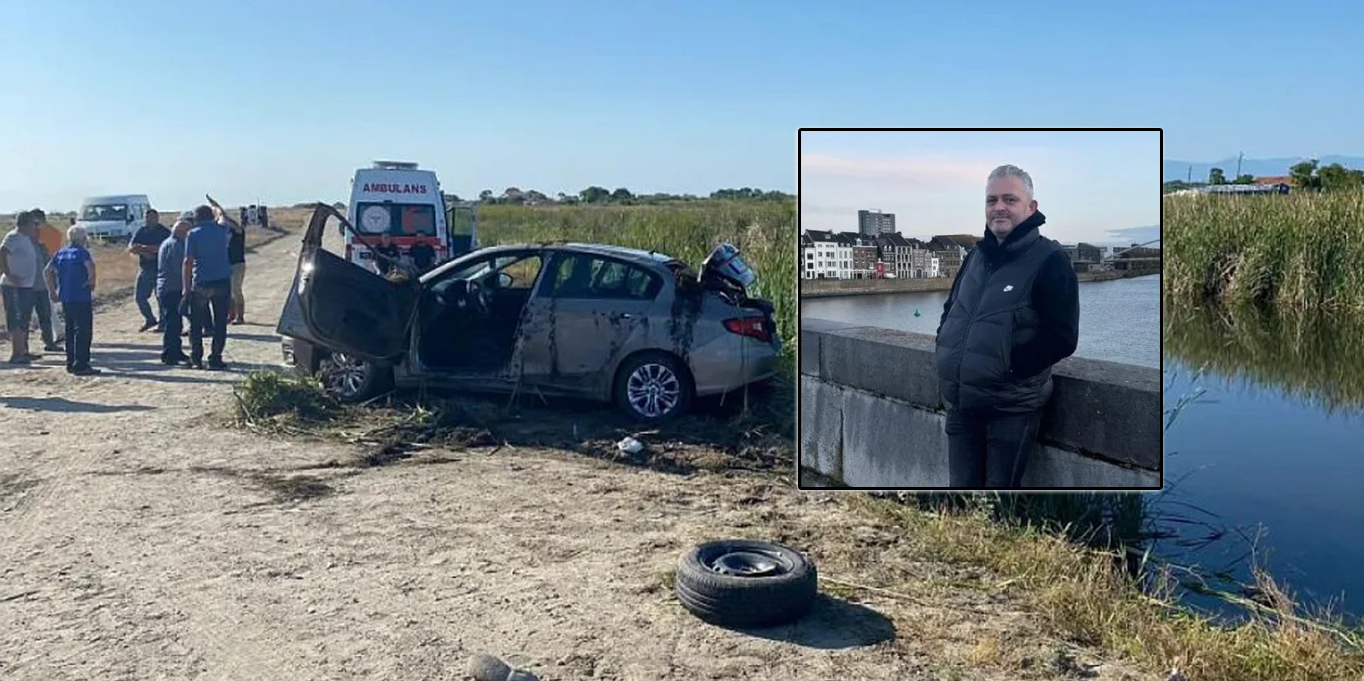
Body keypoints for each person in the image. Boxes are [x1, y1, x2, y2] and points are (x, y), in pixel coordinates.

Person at [934, 164, 1079, 488]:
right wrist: (945, 349)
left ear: (1031, 207)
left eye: (1010, 199)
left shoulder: (1051, 259)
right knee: (961, 496)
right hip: (961, 404)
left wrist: (1008, 368)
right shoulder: (975, 257)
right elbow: (951, 310)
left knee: (999, 501)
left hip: (1010, 409)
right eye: (992, 200)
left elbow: (1063, 336)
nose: (999, 207)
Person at [181, 200, 233, 370]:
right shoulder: (222, 230)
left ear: (195, 219)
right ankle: (215, 357)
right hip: (222, 281)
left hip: (201, 281)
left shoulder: (193, 234)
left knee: (196, 323)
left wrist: (186, 287)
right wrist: (217, 206)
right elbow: (223, 217)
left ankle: (196, 358)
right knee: (220, 322)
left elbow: (188, 262)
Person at [43, 226, 100, 375]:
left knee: (70, 330)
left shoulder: (61, 253)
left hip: (66, 296)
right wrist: (91, 281)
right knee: (83, 331)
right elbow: (90, 266)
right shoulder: (82, 253)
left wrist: (52, 291)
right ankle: (82, 364)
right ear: (83, 238)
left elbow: (47, 271)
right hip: (81, 296)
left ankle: (70, 362)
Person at [2, 210, 42, 364]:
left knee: (24, 318)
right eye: (33, 223)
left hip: (26, 285)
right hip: (13, 286)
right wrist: (9, 274)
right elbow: (2, 252)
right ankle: (16, 353)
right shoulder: (13, 237)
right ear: (25, 224)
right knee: (16, 319)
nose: (35, 227)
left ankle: (24, 351)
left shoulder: (25, 238)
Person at [156, 216, 192, 365]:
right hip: (171, 287)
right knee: (172, 323)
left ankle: (176, 351)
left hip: (168, 287)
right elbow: (179, 268)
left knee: (176, 322)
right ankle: (169, 354)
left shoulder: (169, 243)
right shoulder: (175, 245)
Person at [128, 208, 170, 332]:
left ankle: (163, 323)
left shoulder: (163, 231)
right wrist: (144, 251)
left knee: (161, 297)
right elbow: (132, 247)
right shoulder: (141, 231)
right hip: (145, 268)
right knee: (140, 297)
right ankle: (150, 319)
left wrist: (144, 248)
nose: (149, 220)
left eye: (152, 217)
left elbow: (163, 247)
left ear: (157, 218)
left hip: (161, 269)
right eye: (147, 217)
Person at [28, 209, 63, 351]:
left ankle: (56, 331)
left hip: (45, 272)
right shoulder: (54, 232)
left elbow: (49, 254)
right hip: (51, 270)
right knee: (47, 306)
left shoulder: (42, 234)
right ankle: (51, 332)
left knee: (46, 306)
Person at [228, 209, 247, 324]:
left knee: (236, 290)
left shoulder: (239, 231)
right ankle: (231, 315)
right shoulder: (226, 233)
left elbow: (235, 225)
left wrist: (223, 214)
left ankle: (240, 317)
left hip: (238, 264)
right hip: (227, 264)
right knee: (228, 291)